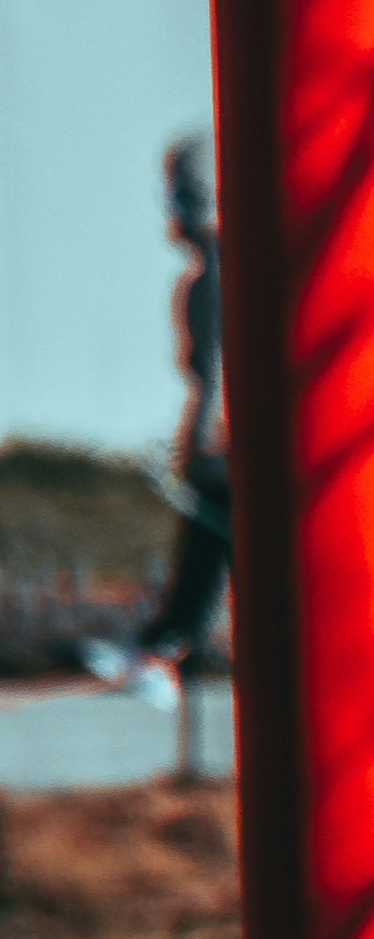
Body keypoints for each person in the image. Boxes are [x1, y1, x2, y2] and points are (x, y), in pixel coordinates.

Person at [80, 142, 230, 741]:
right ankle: (163, 650)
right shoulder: (197, 286)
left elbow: (212, 372)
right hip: (216, 452)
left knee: (214, 569)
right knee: (201, 566)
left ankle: (164, 649)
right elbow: (203, 375)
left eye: (190, 198)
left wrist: (208, 443)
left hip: (231, 457)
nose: (178, 214)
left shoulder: (221, 281)